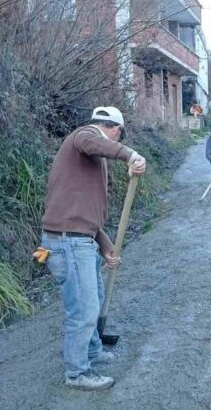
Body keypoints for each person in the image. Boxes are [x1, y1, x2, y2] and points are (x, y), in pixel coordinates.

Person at [41, 107, 146, 391]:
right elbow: (90, 139)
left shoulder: (89, 162)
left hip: (79, 240)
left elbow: (84, 214)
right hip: (68, 243)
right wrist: (129, 154)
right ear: (114, 129)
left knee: (95, 297)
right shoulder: (84, 136)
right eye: (118, 134)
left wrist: (105, 246)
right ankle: (76, 373)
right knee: (84, 309)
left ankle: (91, 351)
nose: (116, 138)